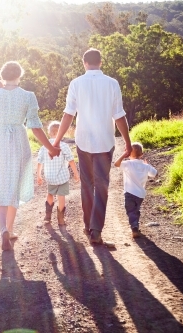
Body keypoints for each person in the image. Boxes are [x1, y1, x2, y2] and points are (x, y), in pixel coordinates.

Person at [53, 48, 132, 245]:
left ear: (84, 62)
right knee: (102, 185)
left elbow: (68, 115)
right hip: (105, 142)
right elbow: (119, 116)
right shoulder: (112, 83)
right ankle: (96, 230)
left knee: (87, 184)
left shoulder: (76, 83)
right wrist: (128, 143)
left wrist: (56, 141)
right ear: (101, 62)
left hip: (84, 142)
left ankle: (88, 225)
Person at [0, 61, 61, 251]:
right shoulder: (28, 96)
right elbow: (35, 126)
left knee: (0, 185)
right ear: (20, 76)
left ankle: (2, 230)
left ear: (2, 76)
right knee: (14, 184)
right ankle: (10, 228)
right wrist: (49, 147)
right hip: (18, 141)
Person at [37, 121, 80, 225]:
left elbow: (39, 162)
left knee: (50, 194)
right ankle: (61, 219)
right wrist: (76, 173)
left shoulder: (44, 147)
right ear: (61, 132)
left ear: (49, 133)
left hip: (50, 177)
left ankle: (48, 217)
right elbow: (71, 160)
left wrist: (38, 175)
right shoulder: (64, 146)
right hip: (62, 177)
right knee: (61, 197)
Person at [114, 142, 157, 238]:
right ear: (142, 155)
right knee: (136, 210)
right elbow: (155, 174)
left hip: (129, 193)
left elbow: (116, 164)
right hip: (140, 194)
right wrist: (148, 165)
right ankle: (136, 225)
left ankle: (134, 227)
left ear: (128, 153)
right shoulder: (145, 166)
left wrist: (123, 155)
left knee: (130, 211)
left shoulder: (128, 164)